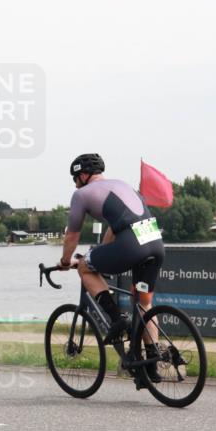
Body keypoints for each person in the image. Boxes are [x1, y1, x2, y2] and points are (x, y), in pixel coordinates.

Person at [59, 153, 165, 382]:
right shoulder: (123, 185)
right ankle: (152, 363)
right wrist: (100, 253)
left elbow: (73, 234)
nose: (75, 183)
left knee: (85, 268)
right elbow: (116, 227)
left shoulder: (81, 194)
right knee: (145, 303)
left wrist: (66, 261)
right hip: (155, 241)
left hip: (132, 244)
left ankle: (117, 319)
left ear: (84, 175)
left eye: (75, 177)